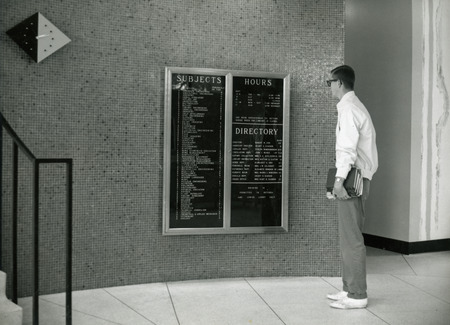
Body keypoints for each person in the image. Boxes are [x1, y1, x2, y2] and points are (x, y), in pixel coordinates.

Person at [326, 65, 378, 309]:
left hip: (351, 180)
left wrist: (338, 181)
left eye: (330, 83)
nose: (329, 88)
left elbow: (346, 149)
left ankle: (357, 295)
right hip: (358, 178)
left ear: (339, 83)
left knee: (352, 238)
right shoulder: (355, 106)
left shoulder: (348, 109)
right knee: (349, 236)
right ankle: (348, 289)